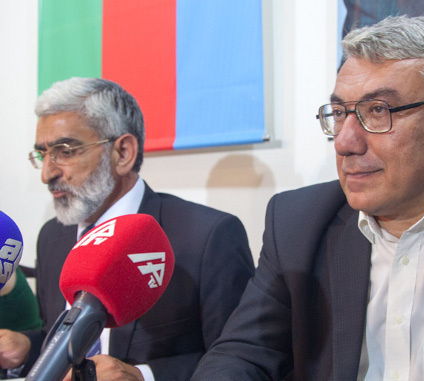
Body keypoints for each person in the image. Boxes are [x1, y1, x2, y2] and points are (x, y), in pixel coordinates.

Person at [192, 15, 424, 380]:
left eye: (378, 111)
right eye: (340, 113)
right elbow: (242, 355)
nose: (344, 142)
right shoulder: (296, 223)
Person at [0, 77, 255, 380]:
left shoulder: (208, 236)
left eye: (65, 151)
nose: (47, 173)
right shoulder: (53, 236)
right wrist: (28, 347)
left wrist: (142, 376)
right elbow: (62, 341)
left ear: (123, 153)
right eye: (43, 153)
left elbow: (242, 359)